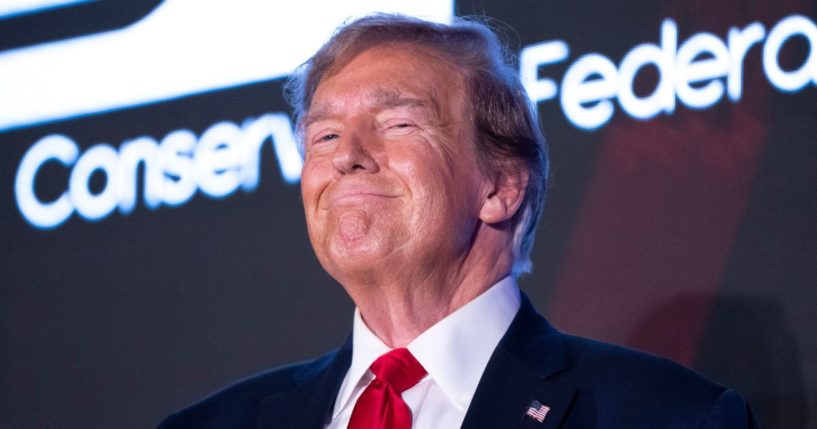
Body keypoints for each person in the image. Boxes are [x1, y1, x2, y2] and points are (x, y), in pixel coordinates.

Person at [159, 14, 758, 428]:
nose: (346, 156)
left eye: (397, 125)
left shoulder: (668, 419)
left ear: (499, 186)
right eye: (325, 135)